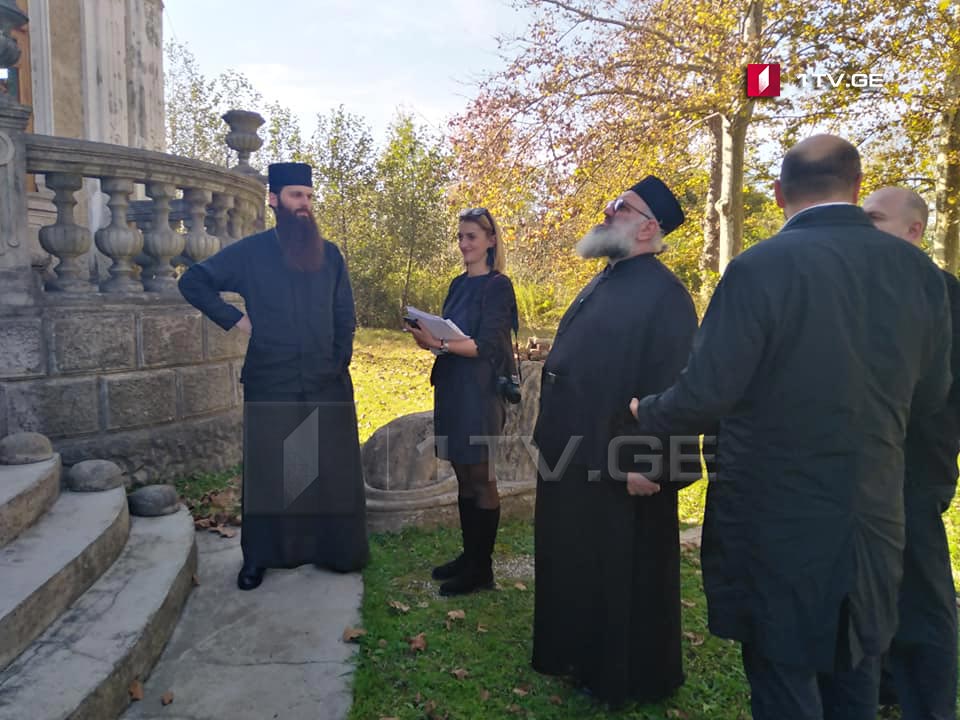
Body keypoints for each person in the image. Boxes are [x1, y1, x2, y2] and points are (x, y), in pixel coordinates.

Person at [629, 136, 952, 720]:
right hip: (873, 514)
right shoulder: (921, 274)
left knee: (783, 675)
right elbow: (931, 397)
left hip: (776, 519)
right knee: (854, 666)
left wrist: (645, 411)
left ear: (778, 193)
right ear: (856, 188)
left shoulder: (759, 268)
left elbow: (706, 394)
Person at [530, 176, 698, 707]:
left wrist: (650, 462)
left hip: (620, 463)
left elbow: (674, 386)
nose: (607, 210)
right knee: (576, 560)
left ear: (648, 228)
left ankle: (623, 675)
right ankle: (575, 655)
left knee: (620, 569)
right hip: (574, 453)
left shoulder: (667, 296)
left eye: (620, 206)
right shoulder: (607, 278)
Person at [179, 162, 368, 591]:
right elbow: (194, 282)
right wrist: (238, 321)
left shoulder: (330, 254)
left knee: (324, 466)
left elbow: (345, 315)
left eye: (309, 196)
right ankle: (262, 557)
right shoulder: (251, 252)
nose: (304, 204)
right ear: (274, 199)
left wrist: (338, 361)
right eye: (296, 195)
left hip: (325, 376)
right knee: (271, 470)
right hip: (271, 376)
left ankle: (331, 549)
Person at [863, 186, 959, 720]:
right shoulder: (865, 288)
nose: (863, 228)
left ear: (914, 230)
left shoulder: (943, 293)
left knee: (921, 593)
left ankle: (930, 704)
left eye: (874, 219)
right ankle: (884, 683)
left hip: (916, 468)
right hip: (868, 469)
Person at [405, 207, 517, 597]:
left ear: (490, 240)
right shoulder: (457, 284)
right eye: (460, 237)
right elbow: (452, 338)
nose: (464, 244)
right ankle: (470, 558)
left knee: (481, 476)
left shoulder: (498, 286)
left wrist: (437, 341)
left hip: (480, 391)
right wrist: (429, 338)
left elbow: (486, 345)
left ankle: (482, 570)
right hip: (452, 386)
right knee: (463, 475)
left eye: (471, 236)